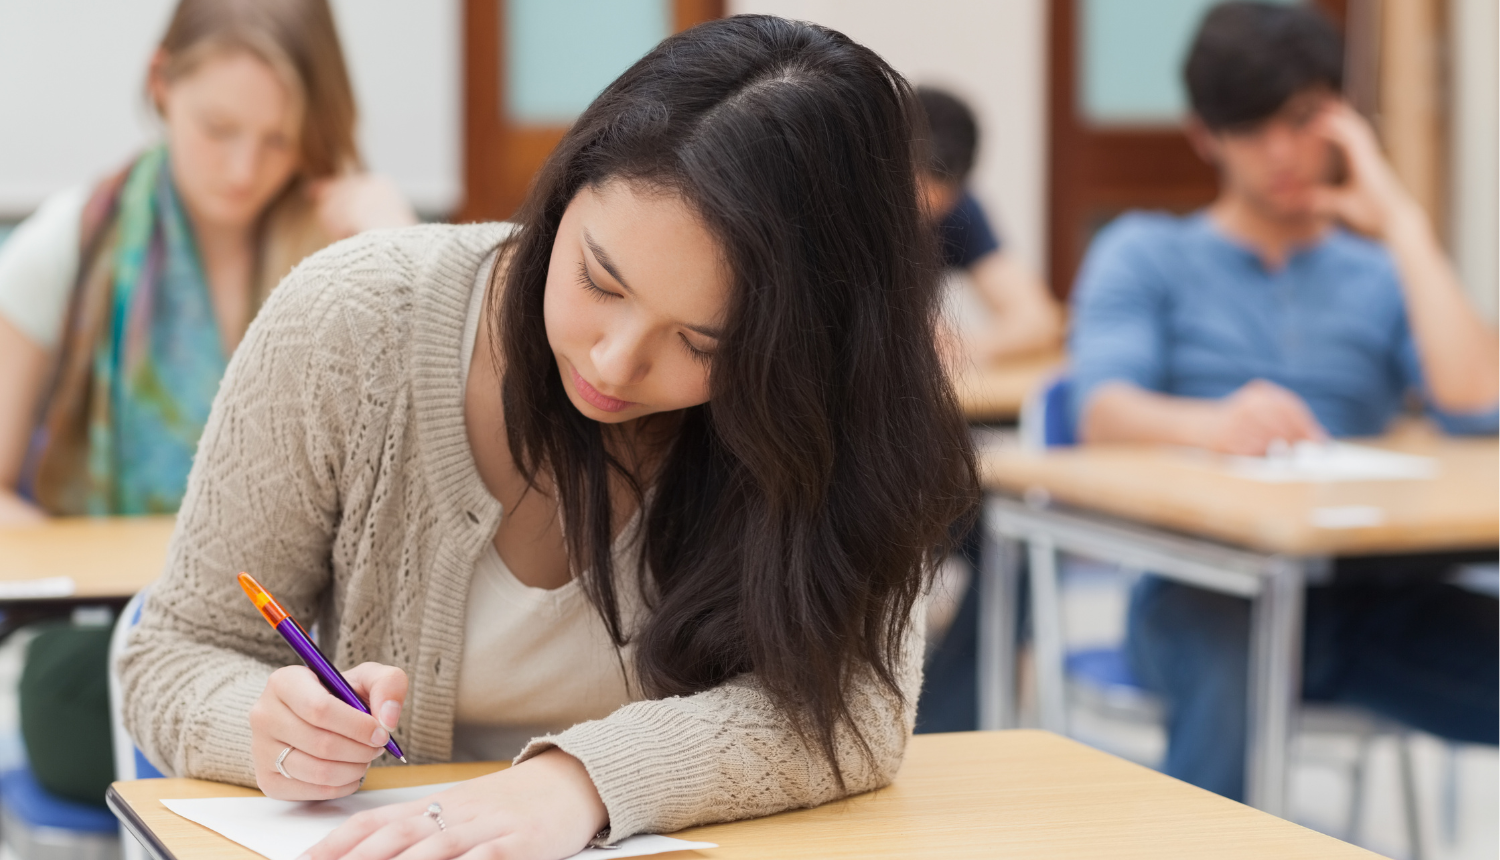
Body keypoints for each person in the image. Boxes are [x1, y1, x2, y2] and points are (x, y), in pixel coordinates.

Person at [120, 15, 978, 860]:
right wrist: (270, 729)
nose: (613, 361)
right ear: (565, 190)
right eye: (599, 281)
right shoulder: (355, 320)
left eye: (702, 344)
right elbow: (174, 654)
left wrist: (584, 782)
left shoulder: (837, 411)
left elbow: (856, 711)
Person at [1069, 1, 1498, 801]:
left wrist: (1400, 217)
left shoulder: (1377, 271)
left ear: (1340, 120)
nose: (1282, 152)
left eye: (1303, 121)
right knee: (1234, 656)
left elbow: (1474, 402)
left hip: (1369, 597)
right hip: (1206, 588)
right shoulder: (1147, 251)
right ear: (1206, 136)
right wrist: (1212, 423)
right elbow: (1102, 411)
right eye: (1251, 128)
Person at [0, 0, 416, 524]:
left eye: (279, 139)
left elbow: (424, 487)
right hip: (114, 603)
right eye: (218, 129)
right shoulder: (69, 247)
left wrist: (405, 262)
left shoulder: (352, 248)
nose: (243, 172)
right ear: (161, 83)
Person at [915, 86, 1062, 364]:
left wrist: (959, 347)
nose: (920, 215)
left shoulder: (958, 214)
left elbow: (1039, 321)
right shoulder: (844, 207)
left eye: (936, 205)